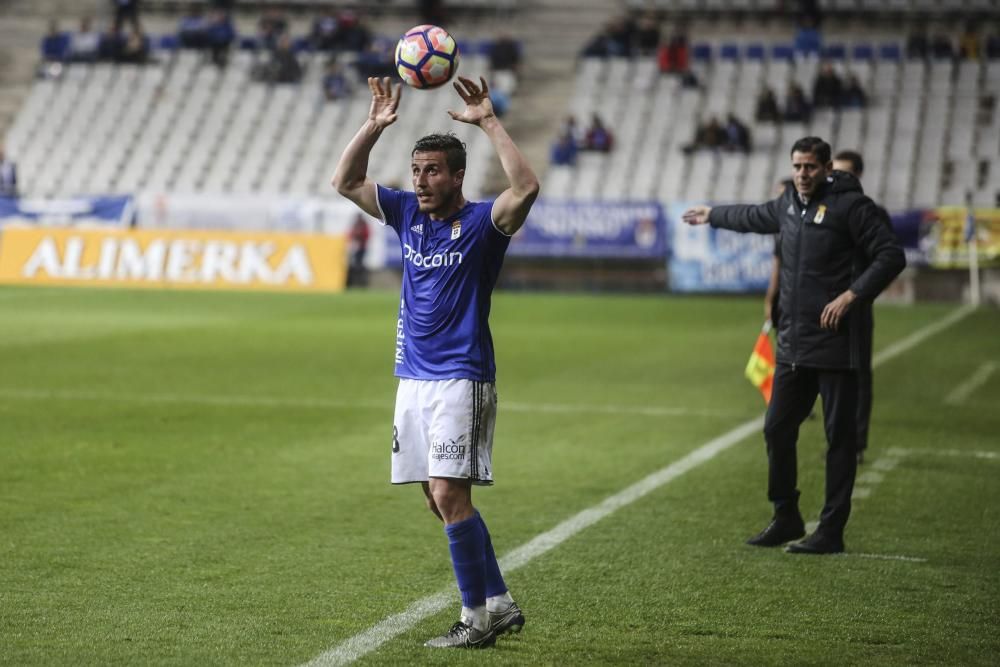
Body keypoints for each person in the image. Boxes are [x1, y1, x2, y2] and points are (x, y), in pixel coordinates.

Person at [331, 76, 539, 647]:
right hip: (412, 378)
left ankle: (476, 619)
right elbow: (344, 180)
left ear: (456, 176)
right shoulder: (405, 214)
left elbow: (525, 186)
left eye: (433, 172)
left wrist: (489, 123)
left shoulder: (481, 225)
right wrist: (374, 125)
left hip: (461, 378)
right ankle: (497, 600)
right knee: (435, 497)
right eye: (418, 171)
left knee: (450, 496)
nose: (421, 181)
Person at [682, 137, 905, 555]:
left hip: (837, 344)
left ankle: (831, 531)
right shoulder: (787, 203)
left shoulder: (852, 207)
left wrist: (851, 296)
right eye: (797, 167)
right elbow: (753, 215)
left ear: (826, 169)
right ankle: (786, 515)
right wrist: (713, 215)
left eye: (810, 168)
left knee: (839, 440)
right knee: (777, 428)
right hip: (794, 345)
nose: (803, 175)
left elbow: (891, 255)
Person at [347, 213, 370, 287]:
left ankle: (361, 282)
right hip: (355, 247)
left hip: (362, 248)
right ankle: (357, 282)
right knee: (356, 265)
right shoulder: (356, 225)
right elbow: (350, 234)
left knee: (359, 265)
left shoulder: (363, 225)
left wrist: (359, 235)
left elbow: (366, 235)